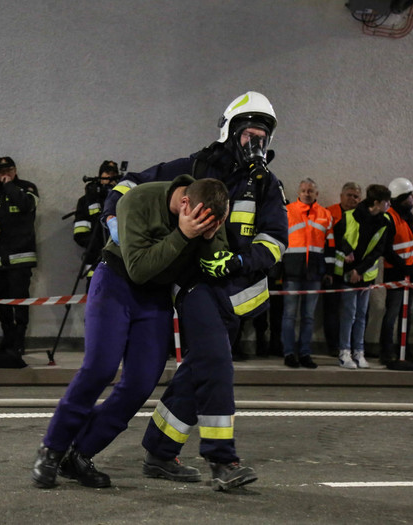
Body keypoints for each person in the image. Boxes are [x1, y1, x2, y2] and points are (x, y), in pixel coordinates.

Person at [104, 91, 288, 491]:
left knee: (197, 371)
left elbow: (275, 241)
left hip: (238, 296)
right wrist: (112, 220)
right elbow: (129, 185)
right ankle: (223, 461)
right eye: (249, 135)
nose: (256, 144)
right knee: (217, 366)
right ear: (230, 132)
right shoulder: (194, 168)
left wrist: (239, 262)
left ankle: (159, 450)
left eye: (262, 137)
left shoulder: (268, 185)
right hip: (197, 286)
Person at [32, 176, 229, 489]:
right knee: (99, 368)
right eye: (200, 221)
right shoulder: (138, 200)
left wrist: (207, 238)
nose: (205, 227)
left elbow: (213, 260)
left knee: (141, 381)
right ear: (184, 204)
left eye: (213, 224)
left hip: (156, 298)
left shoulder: (207, 212)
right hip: (115, 281)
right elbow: (138, 268)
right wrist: (183, 234)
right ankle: (52, 449)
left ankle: (80, 454)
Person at [333, 184, 391, 369]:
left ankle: (359, 351)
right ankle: (344, 352)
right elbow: (338, 237)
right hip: (348, 273)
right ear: (376, 203)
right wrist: (349, 256)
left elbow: (378, 250)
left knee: (361, 315)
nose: (389, 205)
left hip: (365, 275)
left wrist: (361, 271)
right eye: (386, 202)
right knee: (348, 314)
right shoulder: (350, 216)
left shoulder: (384, 221)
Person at [0, 157, 38, 355]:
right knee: (2, 302)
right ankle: (7, 338)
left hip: (20, 256)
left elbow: (26, 206)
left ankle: (19, 340)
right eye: (1, 171)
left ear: (15, 170)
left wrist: (8, 186)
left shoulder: (27, 189)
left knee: (20, 301)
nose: (4, 174)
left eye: (8, 170)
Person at [280, 178, 334, 369]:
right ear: (298, 192)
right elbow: (279, 242)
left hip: (315, 273)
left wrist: (329, 271)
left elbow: (330, 246)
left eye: (310, 190)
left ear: (316, 194)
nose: (307, 193)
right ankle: (288, 353)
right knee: (289, 315)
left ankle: (304, 353)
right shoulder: (287, 212)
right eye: (303, 190)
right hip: (292, 271)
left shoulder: (326, 215)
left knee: (308, 316)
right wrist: (278, 270)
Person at [379, 177, 413, 365]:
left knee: (407, 314)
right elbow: (386, 249)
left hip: (410, 274)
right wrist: (402, 266)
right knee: (393, 313)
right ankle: (386, 351)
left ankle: (403, 349)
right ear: (401, 197)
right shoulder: (390, 218)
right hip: (397, 274)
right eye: (410, 195)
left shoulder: (409, 218)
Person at [323, 182, 362, 356]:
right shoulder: (329, 212)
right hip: (333, 270)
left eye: (356, 196)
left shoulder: (362, 216)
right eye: (349, 195)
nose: (352, 198)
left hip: (353, 271)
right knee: (331, 309)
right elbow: (326, 238)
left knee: (354, 312)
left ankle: (351, 345)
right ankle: (333, 346)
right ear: (341, 196)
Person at [73, 161, 118, 290]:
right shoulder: (86, 200)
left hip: (119, 263)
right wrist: (97, 246)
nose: (110, 178)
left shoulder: (122, 200)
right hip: (95, 263)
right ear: (100, 175)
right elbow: (79, 234)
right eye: (107, 174)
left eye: (114, 174)